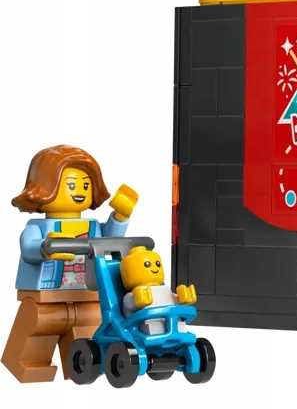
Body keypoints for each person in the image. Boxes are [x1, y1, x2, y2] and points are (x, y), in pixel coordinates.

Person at [3, 145, 137, 382]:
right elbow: (29, 247)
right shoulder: (38, 227)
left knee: (87, 329)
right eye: (71, 185)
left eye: (85, 186)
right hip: (48, 293)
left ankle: (83, 364)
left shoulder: (92, 226)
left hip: (85, 290)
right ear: (45, 187)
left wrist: (120, 216)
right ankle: (30, 364)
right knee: (41, 325)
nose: (79, 192)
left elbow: (109, 239)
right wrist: (46, 247)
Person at [120, 245, 197, 336]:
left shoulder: (165, 289)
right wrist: (137, 301)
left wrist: (182, 298)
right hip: (148, 325)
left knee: (182, 327)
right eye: (147, 265)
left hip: (173, 323)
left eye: (157, 264)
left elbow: (172, 300)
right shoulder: (132, 294)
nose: (155, 268)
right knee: (154, 329)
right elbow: (128, 305)